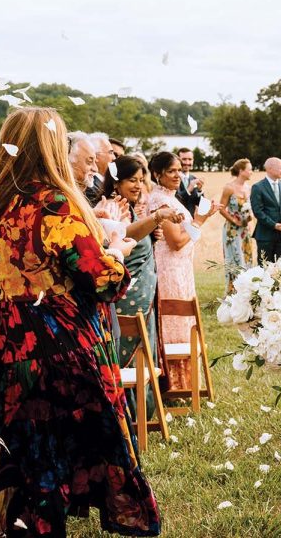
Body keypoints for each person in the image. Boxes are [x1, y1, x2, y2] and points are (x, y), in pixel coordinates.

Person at [0, 108, 161, 536]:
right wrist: (119, 254)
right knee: (61, 456)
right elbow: (99, 277)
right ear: (52, 147)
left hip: (4, 348)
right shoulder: (52, 202)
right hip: (59, 347)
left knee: (23, 457)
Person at [102, 155, 184, 418]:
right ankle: (130, 414)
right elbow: (125, 234)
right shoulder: (114, 208)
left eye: (140, 180)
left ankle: (144, 412)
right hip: (129, 297)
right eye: (131, 180)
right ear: (116, 184)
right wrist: (156, 219)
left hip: (145, 295)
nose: (138, 185)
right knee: (131, 353)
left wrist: (151, 229)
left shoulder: (133, 207)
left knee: (145, 350)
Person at [147, 151, 220, 391]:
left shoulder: (172, 197)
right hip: (169, 270)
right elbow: (176, 241)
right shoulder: (159, 201)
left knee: (184, 321)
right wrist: (199, 219)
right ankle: (174, 385)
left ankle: (186, 384)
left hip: (181, 268)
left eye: (179, 170)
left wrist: (203, 218)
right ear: (158, 174)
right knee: (175, 322)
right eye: (171, 171)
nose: (178, 175)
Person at [250, 157, 281, 262]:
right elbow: (258, 211)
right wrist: (274, 225)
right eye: (280, 167)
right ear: (269, 169)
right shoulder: (257, 187)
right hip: (265, 236)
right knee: (265, 270)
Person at [219, 158, 254, 293]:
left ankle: (247, 292)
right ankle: (233, 292)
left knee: (247, 259)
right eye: (249, 169)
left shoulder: (249, 188)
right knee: (235, 260)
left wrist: (250, 217)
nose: (251, 172)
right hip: (232, 231)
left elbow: (250, 208)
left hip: (245, 230)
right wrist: (234, 220)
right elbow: (221, 208)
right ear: (241, 171)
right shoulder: (229, 187)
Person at [175, 147, 203, 216]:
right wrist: (189, 189)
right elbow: (175, 201)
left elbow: (201, 206)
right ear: (177, 160)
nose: (187, 163)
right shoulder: (173, 178)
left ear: (193, 160)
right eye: (184, 159)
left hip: (191, 220)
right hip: (177, 221)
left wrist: (199, 190)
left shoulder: (194, 178)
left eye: (190, 159)